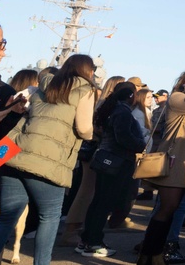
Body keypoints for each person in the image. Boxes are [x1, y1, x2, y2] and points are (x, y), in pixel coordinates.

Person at [0, 54, 96, 265]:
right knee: (48, 217)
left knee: (7, 217)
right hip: (49, 163)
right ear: (88, 71)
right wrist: (91, 133)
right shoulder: (85, 90)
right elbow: (84, 128)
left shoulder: (44, 86)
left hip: (16, 157)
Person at [135, 64, 185, 265]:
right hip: (173, 161)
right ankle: (150, 253)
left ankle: (153, 253)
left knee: (172, 208)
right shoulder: (179, 97)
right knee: (167, 207)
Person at [78, 81, 147, 257]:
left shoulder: (111, 109)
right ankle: (93, 242)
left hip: (105, 159)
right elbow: (123, 136)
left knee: (98, 202)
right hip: (118, 161)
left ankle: (87, 239)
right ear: (131, 95)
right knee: (104, 203)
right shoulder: (123, 112)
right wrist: (141, 144)